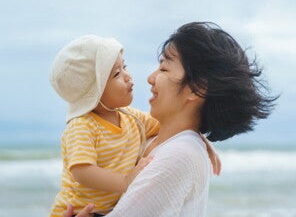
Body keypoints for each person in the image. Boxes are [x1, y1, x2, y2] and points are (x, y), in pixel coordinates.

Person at [66, 21, 277, 217]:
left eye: (164, 68)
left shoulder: (179, 154)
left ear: (197, 88)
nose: (150, 78)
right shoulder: (156, 140)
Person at [49, 35, 220, 216]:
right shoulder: (82, 126)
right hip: (75, 211)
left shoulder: (130, 117)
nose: (128, 76)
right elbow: (82, 171)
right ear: (93, 93)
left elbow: (174, 127)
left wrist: (201, 139)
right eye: (116, 74)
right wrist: (125, 181)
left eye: (125, 67)